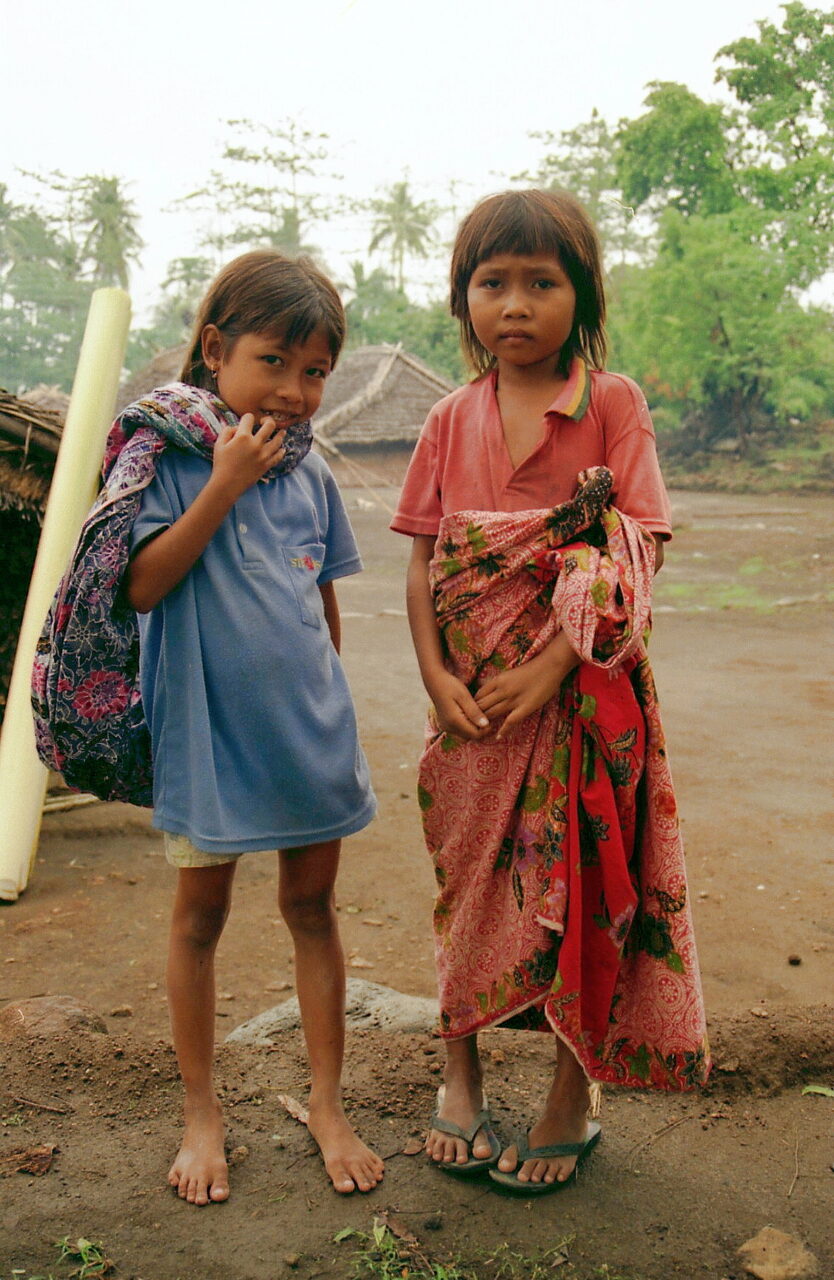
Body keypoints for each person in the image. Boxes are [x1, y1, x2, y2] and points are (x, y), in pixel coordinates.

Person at [391, 190, 710, 1195]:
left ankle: (573, 1096)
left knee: (583, 890)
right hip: (473, 709)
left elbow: (636, 541)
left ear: (581, 295)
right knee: (464, 886)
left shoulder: (612, 403)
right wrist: (437, 673)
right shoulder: (448, 418)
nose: (515, 304)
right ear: (463, 299)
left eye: (541, 282)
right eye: (493, 283)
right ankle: (460, 1070)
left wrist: (556, 661)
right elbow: (426, 561)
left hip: (580, 702)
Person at [120, 251, 382, 1204]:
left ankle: (327, 1101)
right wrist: (223, 482)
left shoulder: (311, 478)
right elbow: (143, 583)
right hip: (206, 743)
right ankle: (202, 1115)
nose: (296, 391)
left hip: (306, 735)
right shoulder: (164, 457)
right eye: (275, 362)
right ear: (215, 348)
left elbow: (321, 607)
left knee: (313, 913)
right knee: (200, 921)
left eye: (315, 372)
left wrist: (329, 711)